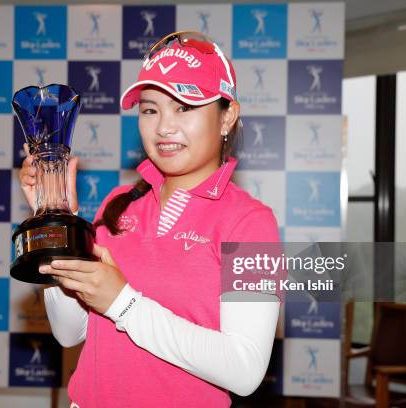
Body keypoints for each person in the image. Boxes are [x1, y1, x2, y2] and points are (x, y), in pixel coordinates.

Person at [19, 31, 281, 408]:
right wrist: (58, 222)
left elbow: (245, 370)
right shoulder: (118, 203)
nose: (163, 127)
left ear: (228, 116)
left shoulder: (254, 224)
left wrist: (124, 304)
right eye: (150, 109)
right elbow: (69, 332)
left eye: (185, 107)